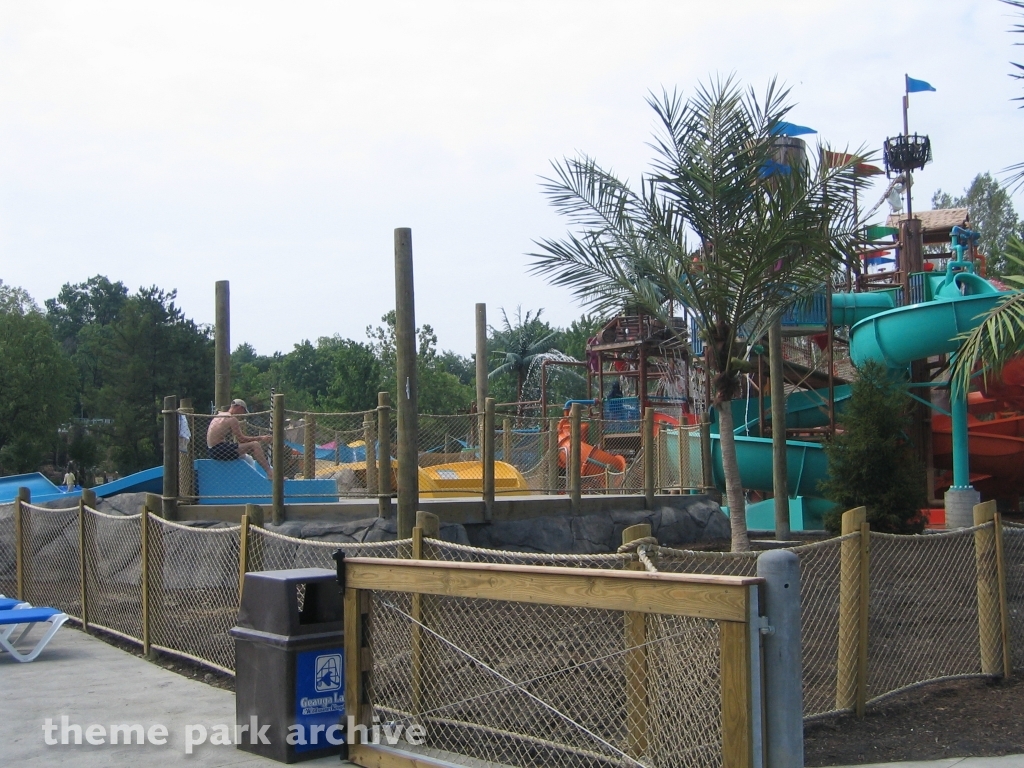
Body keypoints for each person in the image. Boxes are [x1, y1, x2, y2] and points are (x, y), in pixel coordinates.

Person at [206, 399, 274, 479]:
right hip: (219, 450)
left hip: (212, 450)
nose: (242, 415)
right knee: (255, 445)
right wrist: (261, 438)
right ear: (239, 408)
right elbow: (241, 439)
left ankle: (252, 477)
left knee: (247, 458)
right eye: (243, 411)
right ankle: (270, 473)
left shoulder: (219, 415)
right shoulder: (232, 419)